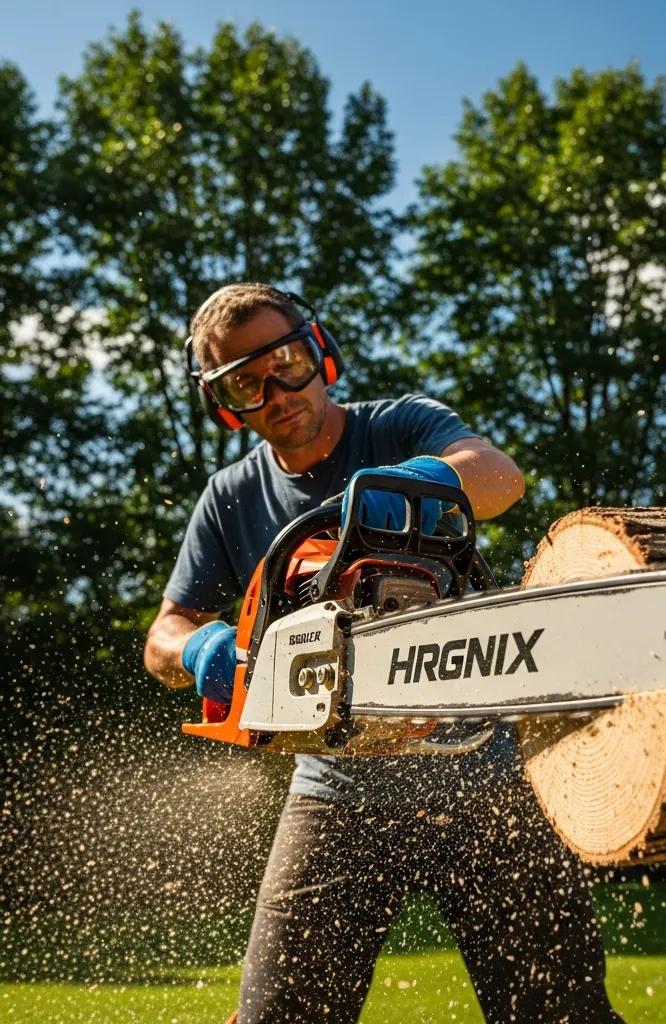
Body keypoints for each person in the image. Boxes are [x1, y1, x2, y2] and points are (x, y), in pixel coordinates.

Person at [143, 283, 624, 1023]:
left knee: (560, 1013)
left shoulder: (399, 426)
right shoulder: (230, 496)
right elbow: (162, 636)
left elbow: (500, 476)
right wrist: (205, 649)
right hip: (335, 788)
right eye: (246, 384)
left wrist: (425, 480)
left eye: (287, 363)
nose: (276, 392)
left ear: (320, 354)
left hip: (482, 771)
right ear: (224, 403)